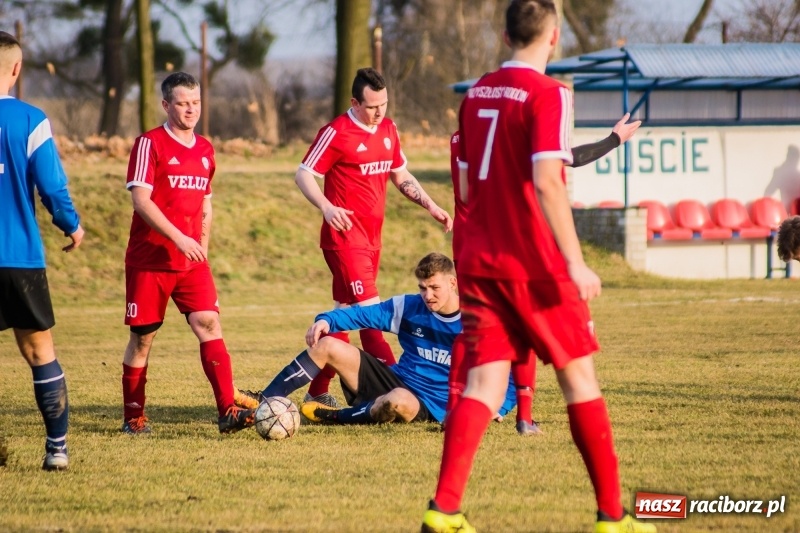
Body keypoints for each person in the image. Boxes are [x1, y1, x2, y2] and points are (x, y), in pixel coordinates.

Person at [421, 3, 656, 533]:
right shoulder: (551, 94)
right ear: (553, 37)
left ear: (505, 35)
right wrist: (575, 262)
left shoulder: (476, 94)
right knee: (580, 380)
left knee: (484, 386)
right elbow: (549, 180)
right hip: (531, 263)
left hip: (480, 261)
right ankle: (612, 516)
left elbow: (465, 186)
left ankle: (444, 510)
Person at [447, 115, 641, 436]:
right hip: (507, 248)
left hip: (468, 247)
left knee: (470, 330)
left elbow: (467, 193)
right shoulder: (508, 139)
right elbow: (569, 160)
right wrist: (614, 140)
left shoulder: (462, 136)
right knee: (525, 331)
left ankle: (453, 410)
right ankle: (524, 417)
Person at [294, 67, 453, 407]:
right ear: (355, 102)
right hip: (345, 240)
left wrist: (430, 204)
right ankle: (393, 390)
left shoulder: (388, 129)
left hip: (371, 241)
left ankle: (317, 391)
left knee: (345, 313)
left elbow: (400, 174)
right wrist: (326, 207)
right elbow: (304, 174)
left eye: (384, 104)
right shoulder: (336, 132)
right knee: (372, 315)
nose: (379, 112)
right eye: (371, 106)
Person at [121, 72, 255, 435]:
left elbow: (206, 204)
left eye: (196, 103)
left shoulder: (206, 150)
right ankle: (133, 418)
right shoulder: (149, 144)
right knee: (142, 339)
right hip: (150, 260)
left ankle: (227, 411)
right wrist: (179, 238)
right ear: (166, 105)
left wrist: (202, 250)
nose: (191, 110)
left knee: (209, 323)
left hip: (192, 262)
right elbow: (141, 200)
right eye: (182, 103)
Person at [239, 253, 514, 425]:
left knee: (396, 401)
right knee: (329, 345)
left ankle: (334, 417)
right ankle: (264, 401)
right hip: (395, 379)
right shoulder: (409, 306)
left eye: (434, 287)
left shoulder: (480, 321)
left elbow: (509, 372)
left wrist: (497, 408)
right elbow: (364, 314)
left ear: (453, 283)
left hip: (432, 405)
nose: (427, 295)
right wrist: (326, 320)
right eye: (422, 288)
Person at [0, 31, 85, 471]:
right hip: (18, 256)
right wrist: (71, 224)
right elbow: (51, 186)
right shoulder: (31, 119)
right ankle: (57, 450)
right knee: (38, 351)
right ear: (17, 69)